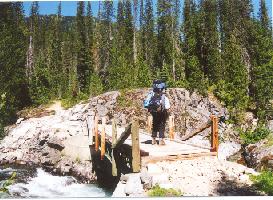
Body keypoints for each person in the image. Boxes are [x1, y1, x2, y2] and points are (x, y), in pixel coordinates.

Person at [143, 80, 170, 145]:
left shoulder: (151, 94)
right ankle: (161, 140)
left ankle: (153, 139)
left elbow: (147, 103)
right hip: (161, 112)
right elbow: (167, 107)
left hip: (153, 111)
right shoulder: (163, 96)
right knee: (162, 125)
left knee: (154, 124)